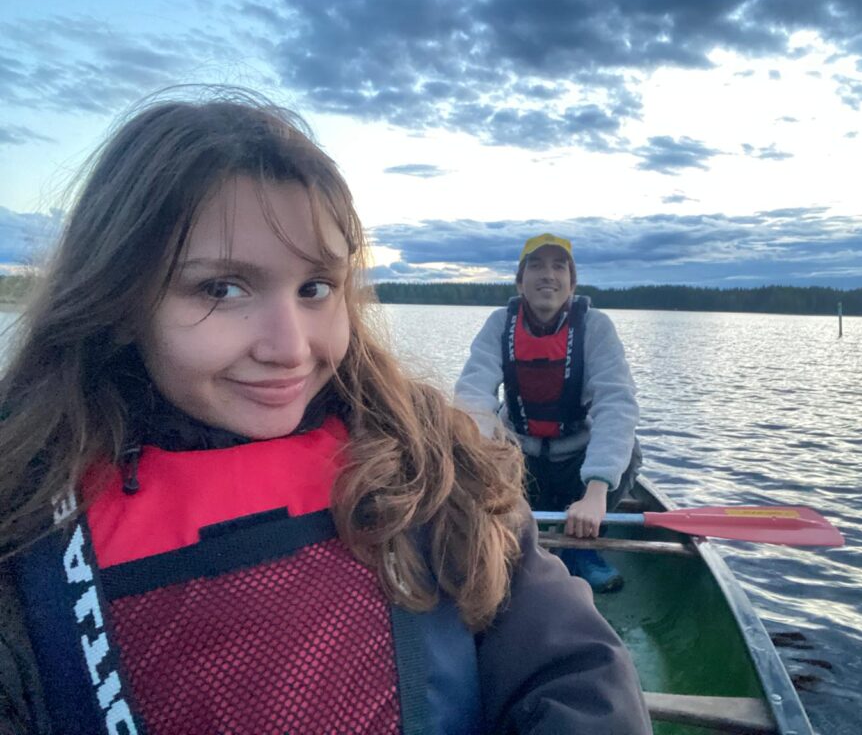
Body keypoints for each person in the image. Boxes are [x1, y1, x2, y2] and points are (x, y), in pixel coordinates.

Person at [0, 90, 651, 734]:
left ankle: (589, 544)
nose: (290, 349)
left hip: (581, 469)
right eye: (221, 289)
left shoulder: (428, 463)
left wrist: (595, 490)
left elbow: (578, 671)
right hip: (535, 455)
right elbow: (478, 395)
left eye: (316, 288)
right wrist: (486, 440)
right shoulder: (25, 530)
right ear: (118, 296)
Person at [455, 234, 642, 593]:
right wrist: (475, 464)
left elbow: (616, 403)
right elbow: (473, 395)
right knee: (473, 442)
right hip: (519, 461)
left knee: (628, 452)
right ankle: (515, 539)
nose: (548, 275)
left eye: (560, 266)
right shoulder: (499, 325)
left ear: (572, 282)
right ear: (519, 280)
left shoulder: (595, 327)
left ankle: (581, 545)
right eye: (536, 265)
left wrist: (597, 491)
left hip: (575, 463)